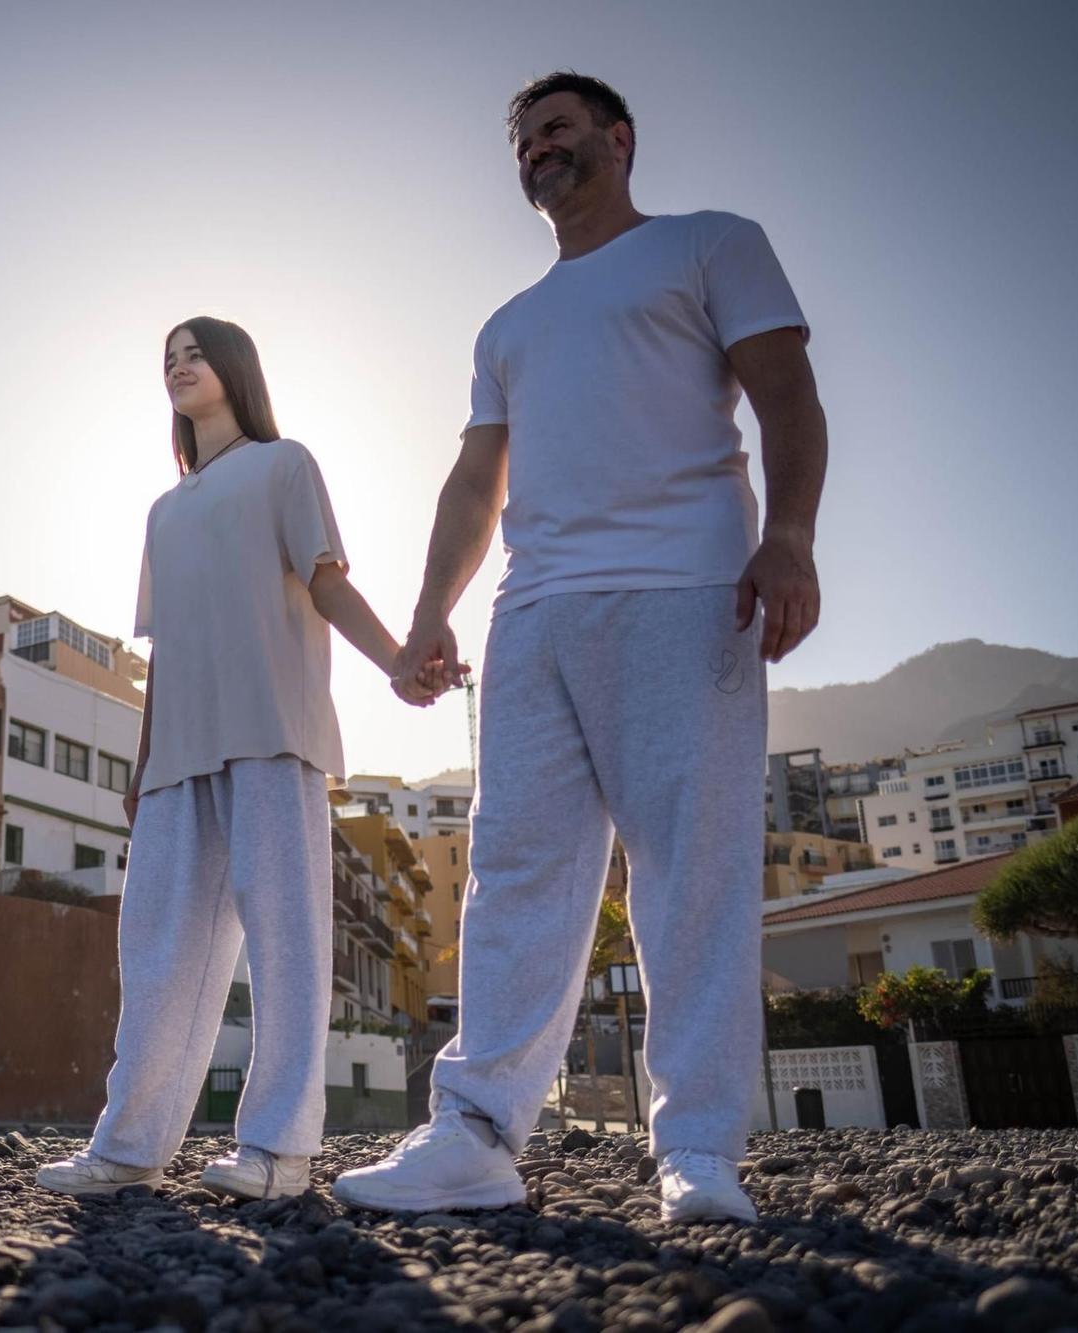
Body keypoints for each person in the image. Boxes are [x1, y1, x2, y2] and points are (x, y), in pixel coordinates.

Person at [334, 72, 827, 1224]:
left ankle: (697, 1148)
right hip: (533, 608)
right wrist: (425, 613)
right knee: (513, 868)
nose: (535, 150)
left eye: (554, 128)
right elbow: (473, 479)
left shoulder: (710, 245)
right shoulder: (507, 324)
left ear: (618, 138)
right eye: (520, 140)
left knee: (688, 873)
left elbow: (786, 394)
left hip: (687, 590)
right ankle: (472, 1132)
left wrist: (789, 538)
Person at [37, 316, 425, 1201]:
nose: (177, 366)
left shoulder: (285, 465)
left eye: (194, 352)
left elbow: (325, 581)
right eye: (167, 357)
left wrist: (399, 659)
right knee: (158, 952)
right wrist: (142, 764)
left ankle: (278, 1150)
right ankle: (131, 1145)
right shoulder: (163, 510)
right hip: (177, 755)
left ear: (235, 369)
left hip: (271, 732)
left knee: (287, 941)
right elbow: (165, 649)